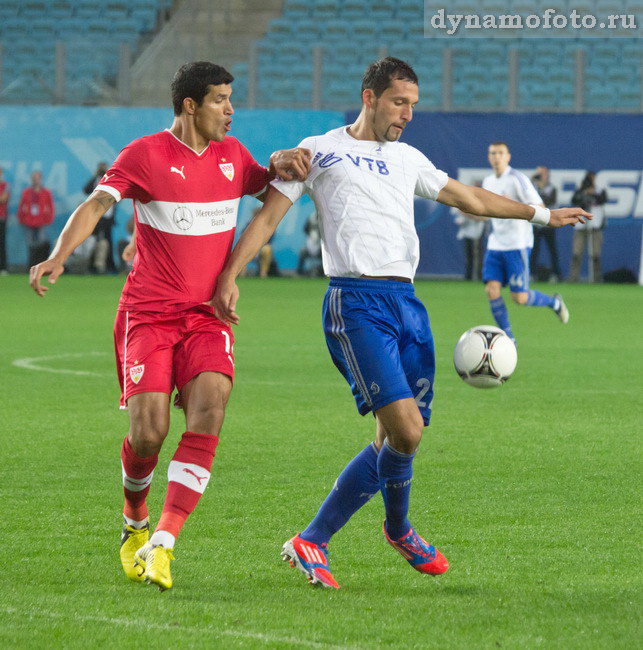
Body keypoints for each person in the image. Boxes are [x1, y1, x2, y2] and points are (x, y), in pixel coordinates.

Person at [213, 58, 590, 589]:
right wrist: (231, 274)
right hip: (357, 301)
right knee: (406, 429)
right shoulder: (319, 149)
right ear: (369, 97)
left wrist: (544, 215)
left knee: (400, 437)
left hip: (407, 303)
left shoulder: (408, 158)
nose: (408, 114)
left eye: (414, 104)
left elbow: (470, 197)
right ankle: (314, 539)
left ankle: (397, 529)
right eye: (399, 102)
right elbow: (268, 216)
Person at [29, 61, 311, 592]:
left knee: (209, 414)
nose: (231, 109)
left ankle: (163, 542)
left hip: (207, 317)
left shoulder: (231, 155)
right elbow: (96, 204)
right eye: (220, 100)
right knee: (149, 432)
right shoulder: (145, 155)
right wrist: (60, 254)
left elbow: (267, 181)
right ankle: (134, 520)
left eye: (231, 99)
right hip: (150, 314)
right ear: (190, 105)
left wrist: (278, 158)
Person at [482, 143, 570, 344]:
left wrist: (509, 205)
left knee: (519, 298)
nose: (496, 157)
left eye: (500, 153)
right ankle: (508, 338)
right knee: (491, 290)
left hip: (517, 244)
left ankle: (554, 302)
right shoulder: (487, 181)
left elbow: (540, 207)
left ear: (508, 156)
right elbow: (486, 210)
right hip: (495, 244)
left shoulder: (517, 179)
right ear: (489, 157)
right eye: (493, 153)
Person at [569, 171, 608, 283]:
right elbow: (574, 200)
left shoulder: (600, 190)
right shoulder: (580, 190)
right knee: (576, 253)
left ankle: (596, 279)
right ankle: (573, 278)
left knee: (595, 255)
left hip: (595, 225)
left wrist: (593, 193)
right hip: (580, 225)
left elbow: (603, 200)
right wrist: (584, 192)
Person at [84, 162, 118, 274]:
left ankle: (109, 266)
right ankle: (92, 265)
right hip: (96, 215)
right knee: (94, 241)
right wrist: (95, 176)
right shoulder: (96, 180)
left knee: (108, 242)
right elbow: (86, 190)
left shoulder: (112, 178)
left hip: (107, 217)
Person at [530, 166, 562, 282]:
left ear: (547, 174)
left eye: (542, 173)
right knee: (534, 250)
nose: (540, 175)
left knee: (552, 250)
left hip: (548, 223)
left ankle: (556, 274)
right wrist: (534, 184)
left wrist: (540, 188)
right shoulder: (532, 187)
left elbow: (548, 201)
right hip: (536, 223)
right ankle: (531, 274)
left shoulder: (552, 188)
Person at [18, 171, 55, 266]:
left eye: (37, 178)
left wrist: (49, 219)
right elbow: (22, 206)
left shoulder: (46, 192)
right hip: (29, 221)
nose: (36, 180)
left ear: (41, 179)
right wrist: (22, 218)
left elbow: (50, 207)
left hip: (41, 221)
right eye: (34, 178)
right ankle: (31, 264)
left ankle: (40, 265)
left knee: (41, 244)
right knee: (30, 245)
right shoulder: (26, 192)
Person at [297, 211, 323, 276]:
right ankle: (300, 272)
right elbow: (305, 229)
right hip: (311, 243)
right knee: (302, 252)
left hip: (321, 244)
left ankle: (323, 272)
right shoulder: (311, 217)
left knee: (325, 253)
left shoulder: (324, 218)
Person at [0, 167, 10, 274]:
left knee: (2, 243)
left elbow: (3, 198)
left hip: (1, 217)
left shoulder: (5, 185)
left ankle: (3, 268)